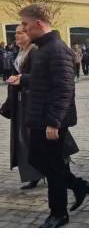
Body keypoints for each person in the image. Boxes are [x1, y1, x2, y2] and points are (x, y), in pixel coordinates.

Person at [7, 4, 89, 228]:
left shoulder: (56, 48)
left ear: (38, 24)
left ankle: (58, 214)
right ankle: (78, 185)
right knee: (36, 159)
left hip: (50, 121)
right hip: (37, 117)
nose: (23, 29)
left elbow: (64, 88)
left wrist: (54, 122)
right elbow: (42, 80)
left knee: (53, 168)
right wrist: (23, 80)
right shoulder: (41, 48)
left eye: (25, 25)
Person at [0, 26, 43, 190]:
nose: (16, 35)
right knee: (23, 140)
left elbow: (41, 77)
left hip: (33, 104)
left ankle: (57, 170)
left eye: (20, 32)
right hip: (21, 102)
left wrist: (21, 78)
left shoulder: (35, 51)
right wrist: (7, 105)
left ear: (29, 34)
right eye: (15, 32)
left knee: (32, 139)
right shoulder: (20, 52)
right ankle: (34, 175)